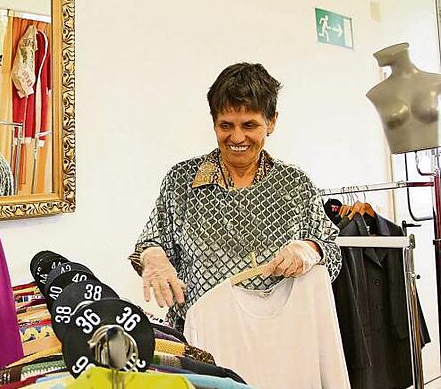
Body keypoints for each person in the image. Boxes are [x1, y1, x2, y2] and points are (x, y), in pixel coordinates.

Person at [129, 62, 341, 329]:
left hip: (281, 334)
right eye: (226, 125)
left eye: (249, 125)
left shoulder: (295, 184)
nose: (237, 137)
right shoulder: (182, 180)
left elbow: (333, 253)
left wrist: (312, 248)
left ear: (272, 121)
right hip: (203, 336)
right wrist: (153, 258)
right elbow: (150, 242)